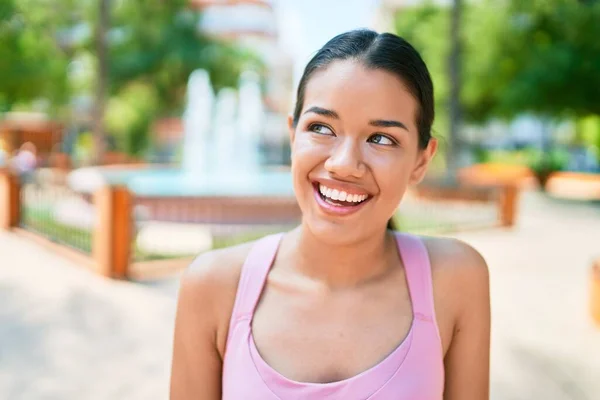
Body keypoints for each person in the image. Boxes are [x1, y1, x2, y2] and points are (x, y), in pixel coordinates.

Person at [170, 29, 490, 400]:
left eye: (381, 138)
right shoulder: (213, 286)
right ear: (293, 136)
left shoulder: (454, 279)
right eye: (321, 128)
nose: (343, 164)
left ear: (421, 160)